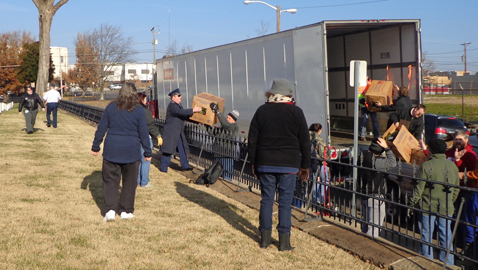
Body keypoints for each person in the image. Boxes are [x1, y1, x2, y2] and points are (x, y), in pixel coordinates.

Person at [248, 78, 310, 251]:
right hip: (289, 164)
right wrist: (305, 165)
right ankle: (284, 243)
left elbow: (252, 140)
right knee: (285, 202)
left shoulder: (261, 111)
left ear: (271, 94)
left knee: (266, 200)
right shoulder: (296, 112)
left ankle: (265, 240)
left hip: (265, 162)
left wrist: (253, 163)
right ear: (288, 94)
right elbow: (305, 142)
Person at [91, 83, 152, 221]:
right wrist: (148, 152)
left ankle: (110, 210)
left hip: (112, 149)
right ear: (135, 94)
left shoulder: (111, 107)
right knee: (130, 183)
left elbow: (102, 128)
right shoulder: (138, 110)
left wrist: (96, 146)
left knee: (110, 181)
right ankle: (126, 211)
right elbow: (143, 133)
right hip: (131, 151)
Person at [409, 138, 460, 265]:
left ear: (431, 151)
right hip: (446, 206)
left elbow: (418, 189)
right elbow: (456, 189)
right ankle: (448, 263)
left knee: (426, 234)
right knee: (446, 234)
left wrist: (411, 203)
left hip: (427, 205)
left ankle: (426, 261)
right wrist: (450, 201)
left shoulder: (426, 166)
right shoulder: (452, 166)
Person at [358, 138, 397, 238]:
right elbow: (392, 163)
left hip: (365, 192)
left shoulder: (363, 156)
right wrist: (387, 148)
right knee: (374, 225)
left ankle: (363, 240)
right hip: (374, 195)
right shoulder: (376, 162)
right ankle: (369, 245)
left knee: (366, 222)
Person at [160, 89, 201, 172]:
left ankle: (185, 166)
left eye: (180, 95)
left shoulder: (178, 105)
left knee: (182, 148)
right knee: (168, 150)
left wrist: (195, 120)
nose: (180, 97)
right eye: (178, 96)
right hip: (171, 132)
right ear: (173, 97)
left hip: (178, 132)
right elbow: (180, 112)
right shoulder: (172, 106)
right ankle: (163, 168)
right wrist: (193, 110)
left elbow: (183, 115)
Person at [207, 103, 240, 180]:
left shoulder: (233, 127)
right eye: (227, 117)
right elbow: (212, 133)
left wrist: (217, 111)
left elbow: (225, 123)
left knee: (226, 175)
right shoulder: (223, 127)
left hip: (226, 155)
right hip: (217, 153)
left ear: (234, 120)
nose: (227, 119)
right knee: (216, 174)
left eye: (229, 118)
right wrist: (206, 124)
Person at [137, 92, 162, 188]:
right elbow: (150, 126)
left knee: (138, 160)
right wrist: (158, 135)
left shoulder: (131, 110)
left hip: (135, 138)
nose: (146, 101)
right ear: (141, 99)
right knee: (146, 160)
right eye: (145, 99)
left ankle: (137, 180)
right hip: (145, 138)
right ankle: (144, 182)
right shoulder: (145, 112)